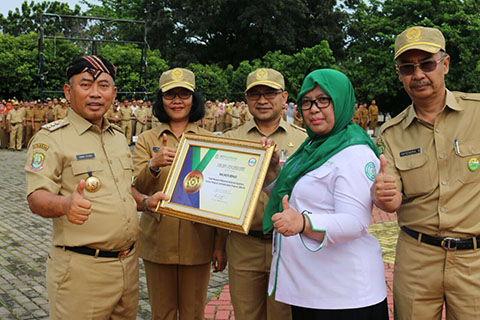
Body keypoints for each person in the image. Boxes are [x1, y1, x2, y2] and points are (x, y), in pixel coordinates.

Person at [24, 55, 167, 320]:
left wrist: (145, 202)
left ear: (113, 93)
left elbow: (123, 190)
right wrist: (65, 205)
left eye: (103, 86)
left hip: (127, 266)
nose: (95, 93)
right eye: (86, 85)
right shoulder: (51, 138)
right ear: (68, 91)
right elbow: (36, 197)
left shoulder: (117, 138)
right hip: (82, 271)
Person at [374, 26, 480, 320]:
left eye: (427, 64)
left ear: (445, 65)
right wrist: (384, 196)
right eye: (408, 67)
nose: (418, 74)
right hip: (417, 260)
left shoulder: (478, 113)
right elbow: (392, 201)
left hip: (475, 260)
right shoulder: (392, 133)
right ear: (399, 74)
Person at [263, 69, 388, 320]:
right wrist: (273, 172)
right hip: (313, 287)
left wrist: (304, 223)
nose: (314, 109)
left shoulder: (354, 151)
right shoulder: (314, 146)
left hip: (343, 296)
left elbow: (355, 221)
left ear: (341, 101)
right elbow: (294, 197)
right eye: (307, 102)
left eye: (324, 99)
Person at [132, 67, 227, 320]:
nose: (176, 100)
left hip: (197, 241)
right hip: (158, 240)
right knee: (161, 313)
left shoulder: (209, 140)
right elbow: (136, 188)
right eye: (169, 95)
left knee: (193, 314)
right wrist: (152, 164)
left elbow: (218, 197)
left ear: (193, 99)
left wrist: (219, 245)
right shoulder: (146, 139)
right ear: (160, 100)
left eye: (184, 94)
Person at [222, 68, 306, 320]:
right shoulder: (230, 140)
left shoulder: (304, 141)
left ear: (284, 97)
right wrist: (217, 245)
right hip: (243, 244)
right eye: (255, 94)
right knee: (246, 313)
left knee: (285, 315)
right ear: (246, 99)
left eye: (270, 93)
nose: (262, 100)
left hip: (288, 245)